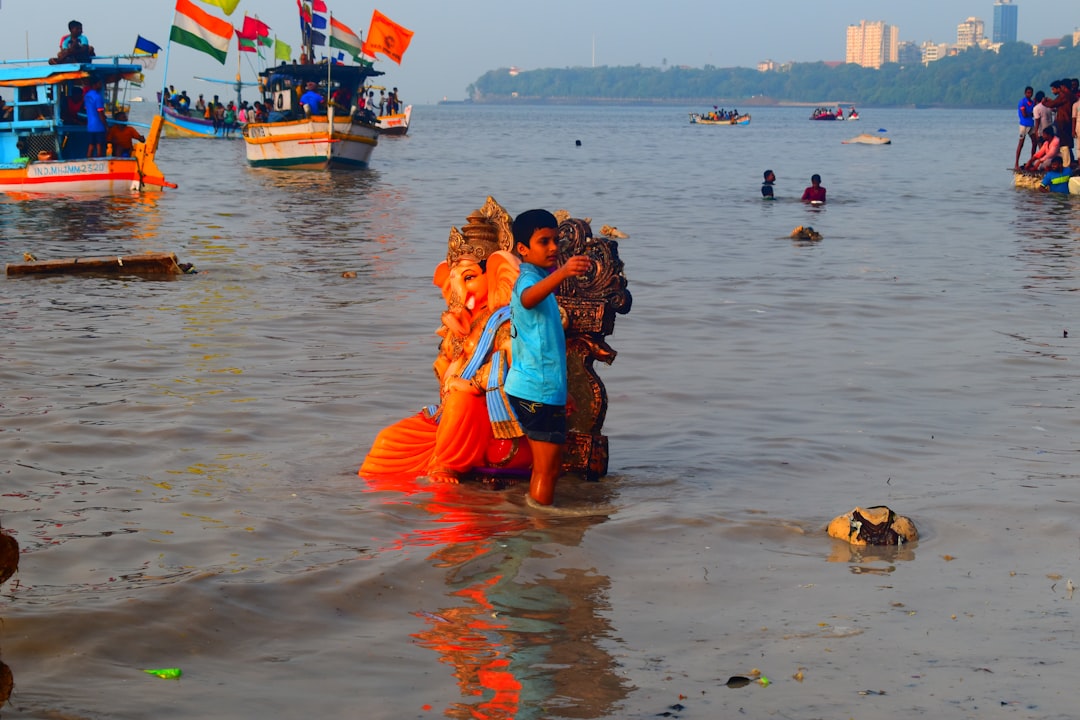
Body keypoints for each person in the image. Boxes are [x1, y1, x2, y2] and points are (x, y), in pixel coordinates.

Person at [505, 209, 592, 506]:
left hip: (543, 388)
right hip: (535, 390)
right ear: (522, 249)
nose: (554, 248)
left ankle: (537, 524)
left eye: (555, 240)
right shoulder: (528, 280)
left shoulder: (539, 278)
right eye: (544, 241)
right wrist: (564, 272)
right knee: (546, 470)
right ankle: (541, 530)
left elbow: (546, 345)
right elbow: (528, 298)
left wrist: (562, 391)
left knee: (550, 469)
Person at [1042, 80, 1075, 166]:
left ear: (1063, 87)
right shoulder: (1071, 96)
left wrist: (1044, 102)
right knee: (1066, 143)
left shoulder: (1064, 95)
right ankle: (1069, 161)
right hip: (1068, 121)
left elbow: (1053, 104)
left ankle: (1066, 163)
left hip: (1063, 121)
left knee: (1064, 143)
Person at [83, 78, 107, 157]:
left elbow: (87, 109)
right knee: (99, 145)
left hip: (90, 125)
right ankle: (99, 162)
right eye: (99, 83)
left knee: (91, 145)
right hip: (98, 125)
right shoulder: (97, 97)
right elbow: (100, 113)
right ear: (95, 84)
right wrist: (105, 125)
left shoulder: (87, 96)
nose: (101, 85)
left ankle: (88, 161)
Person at [1016, 86, 1036, 170]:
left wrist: (1031, 114)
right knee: (1021, 144)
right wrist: (1031, 113)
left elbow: (1033, 113)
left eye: (1031, 93)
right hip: (1023, 125)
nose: (1029, 94)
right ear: (1025, 93)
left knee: (1035, 142)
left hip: (1031, 124)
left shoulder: (1032, 102)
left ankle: (1031, 161)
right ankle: (1016, 163)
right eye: (1028, 93)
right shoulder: (1022, 102)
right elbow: (1024, 114)